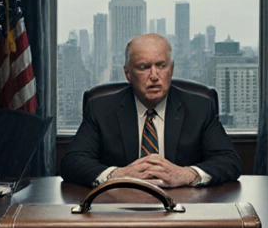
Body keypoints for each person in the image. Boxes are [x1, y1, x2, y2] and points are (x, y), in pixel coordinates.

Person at [61, 33, 241, 188]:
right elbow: (72, 163)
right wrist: (118, 175)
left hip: (184, 210)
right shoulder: (101, 109)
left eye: (161, 66)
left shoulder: (200, 107)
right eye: (144, 67)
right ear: (127, 74)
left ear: (171, 69)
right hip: (119, 211)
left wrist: (186, 175)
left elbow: (229, 161)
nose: (154, 76)